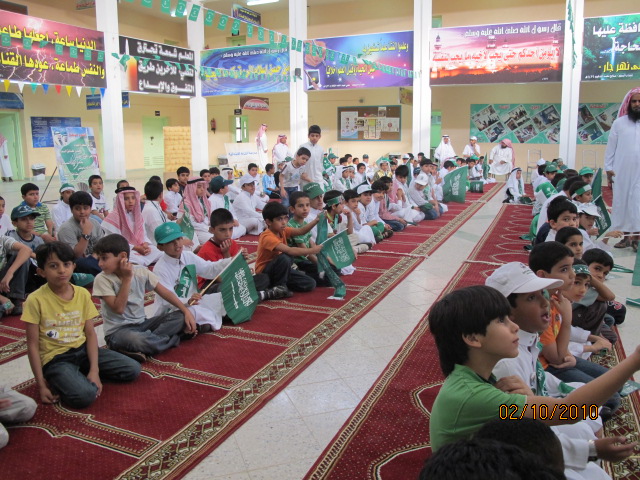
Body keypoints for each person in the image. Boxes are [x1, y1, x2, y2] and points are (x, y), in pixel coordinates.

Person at [428, 284, 640, 452]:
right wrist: (634, 361)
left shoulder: (480, 377)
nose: (515, 327)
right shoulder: (478, 395)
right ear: (473, 338)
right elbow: (569, 412)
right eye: (501, 321)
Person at [23, 242, 141, 408]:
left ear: (74, 266)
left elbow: (90, 334)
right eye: (53, 266)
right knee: (85, 396)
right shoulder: (35, 300)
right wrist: (41, 385)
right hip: (56, 359)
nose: (62, 270)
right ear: (41, 271)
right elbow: (32, 345)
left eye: (66, 264)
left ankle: (77, 375)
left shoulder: (82, 293)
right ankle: (63, 378)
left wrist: (94, 370)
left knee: (132, 369)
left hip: (83, 351)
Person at [92, 234, 197, 362]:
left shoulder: (140, 271)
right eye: (99, 259)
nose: (100, 264)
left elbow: (165, 292)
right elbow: (119, 309)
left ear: (123, 256)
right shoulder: (102, 279)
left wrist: (185, 311)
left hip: (143, 324)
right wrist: (127, 279)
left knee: (180, 317)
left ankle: (147, 344)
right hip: (118, 332)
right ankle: (175, 338)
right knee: (138, 340)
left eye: (104, 258)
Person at [151, 223, 231, 333]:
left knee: (225, 297)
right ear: (160, 247)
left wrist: (230, 261)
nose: (177, 243)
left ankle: (200, 325)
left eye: (178, 238)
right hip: (174, 309)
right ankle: (198, 325)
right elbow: (167, 301)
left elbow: (210, 269)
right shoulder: (160, 269)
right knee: (184, 316)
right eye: (170, 241)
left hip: (195, 303)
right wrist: (187, 301)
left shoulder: (188, 256)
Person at [255, 202, 323, 295]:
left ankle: (275, 285)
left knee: (310, 283)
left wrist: (316, 220)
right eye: (279, 219)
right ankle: (280, 286)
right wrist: (312, 250)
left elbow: (301, 231)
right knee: (286, 256)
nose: (284, 222)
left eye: (285, 218)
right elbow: (290, 250)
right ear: (268, 222)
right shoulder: (267, 237)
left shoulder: (282, 230)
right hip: (266, 271)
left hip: (282, 269)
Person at [604, 87, 640, 251]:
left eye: (639, 101)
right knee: (623, 203)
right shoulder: (619, 123)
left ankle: (636, 237)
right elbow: (611, 148)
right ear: (629, 103)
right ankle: (624, 237)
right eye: (634, 101)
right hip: (622, 171)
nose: (637, 104)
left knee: (638, 203)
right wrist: (608, 168)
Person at [102, 187, 162, 266]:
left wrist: (145, 244)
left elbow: (143, 234)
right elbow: (116, 241)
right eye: (126, 199)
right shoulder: (114, 216)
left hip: (140, 246)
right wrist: (136, 248)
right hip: (124, 249)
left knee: (160, 253)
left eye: (133, 198)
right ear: (120, 200)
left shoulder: (137, 215)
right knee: (136, 260)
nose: (130, 201)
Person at [57, 191, 104, 276]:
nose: (82, 212)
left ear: (90, 209)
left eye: (85, 208)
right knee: (83, 262)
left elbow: (102, 247)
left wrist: (94, 257)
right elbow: (76, 255)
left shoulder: (95, 223)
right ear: (71, 210)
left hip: (96, 259)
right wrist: (86, 233)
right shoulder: (66, 228)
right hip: (78, 265)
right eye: (77, 209)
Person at [0, 228, 32, 318]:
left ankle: (14, 298)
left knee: (22, 258)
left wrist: (9, 273)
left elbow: (27, 250)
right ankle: (5, 305)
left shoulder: (2, 239)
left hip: (3, 284)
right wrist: (2, 299)